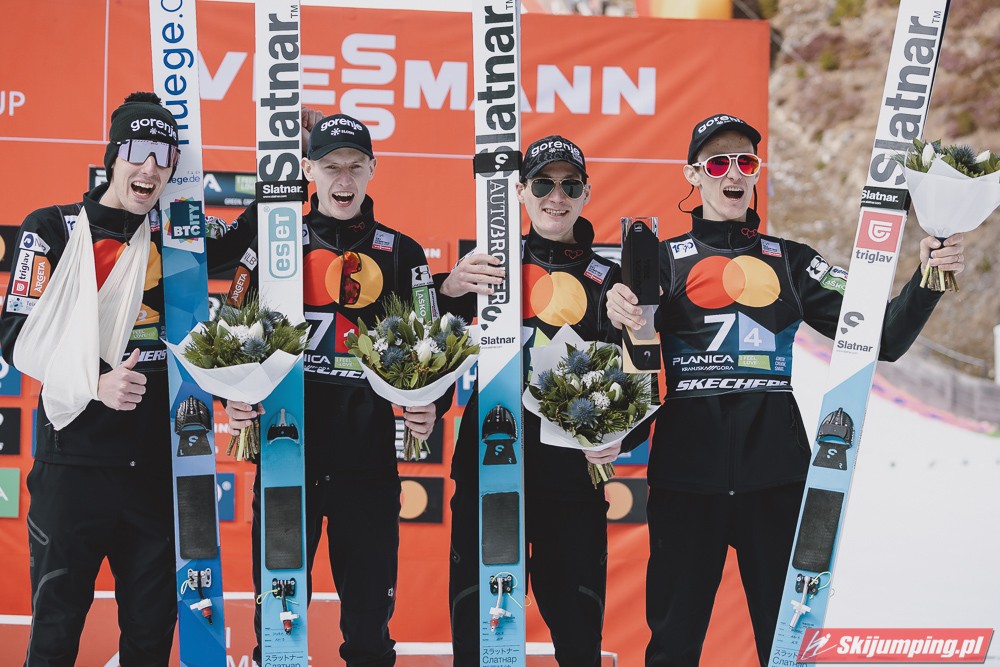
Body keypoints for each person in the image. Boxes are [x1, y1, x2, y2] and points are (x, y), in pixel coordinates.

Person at [605, 113, 967, 667]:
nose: (733, 173)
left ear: (757, 172)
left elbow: (885, 337)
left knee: (790, 647)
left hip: (775, 479)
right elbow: (622, 361)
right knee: (673, 647)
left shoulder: (794, 262)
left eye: (745, 161)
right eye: (717, 163)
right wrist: (613, 312)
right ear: (693, 175)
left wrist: (928, 277)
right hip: (686, 480)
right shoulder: (656, 259)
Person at [0, 92, 251, 666]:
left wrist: (290, 154)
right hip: (73, 469)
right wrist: (96, 381)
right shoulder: (53, 228)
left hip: (155, 476)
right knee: (56, 633)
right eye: (139, 151)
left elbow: (246, 238)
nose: (151, 168)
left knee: (149, 637)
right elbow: (16, 335)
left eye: (165, 156)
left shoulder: (178, 235)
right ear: (113, 154)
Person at [223, 112, 450, 667]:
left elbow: (432, 350)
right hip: (285, 460)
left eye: (355, 166)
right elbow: (228, 334)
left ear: (373, 169)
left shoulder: (403, 253)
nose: (343, 180)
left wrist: (431, 405)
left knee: (369, 635)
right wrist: (231, 394)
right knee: (278, 632)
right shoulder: (273, 244)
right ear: (308, 171)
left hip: (367, 468)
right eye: (330, 167)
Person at [438, 135, 640, 666]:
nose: (557, 196)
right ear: (520, 192)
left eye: (570, 185)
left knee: (577, 639)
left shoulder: (611, 281)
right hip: (488, 467)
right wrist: (447, 290)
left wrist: (621, 437)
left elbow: (640, 379)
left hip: (571, 481)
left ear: (587, 194)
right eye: (544, 183)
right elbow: (425, 344)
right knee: (479, 633)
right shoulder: (485, 266)